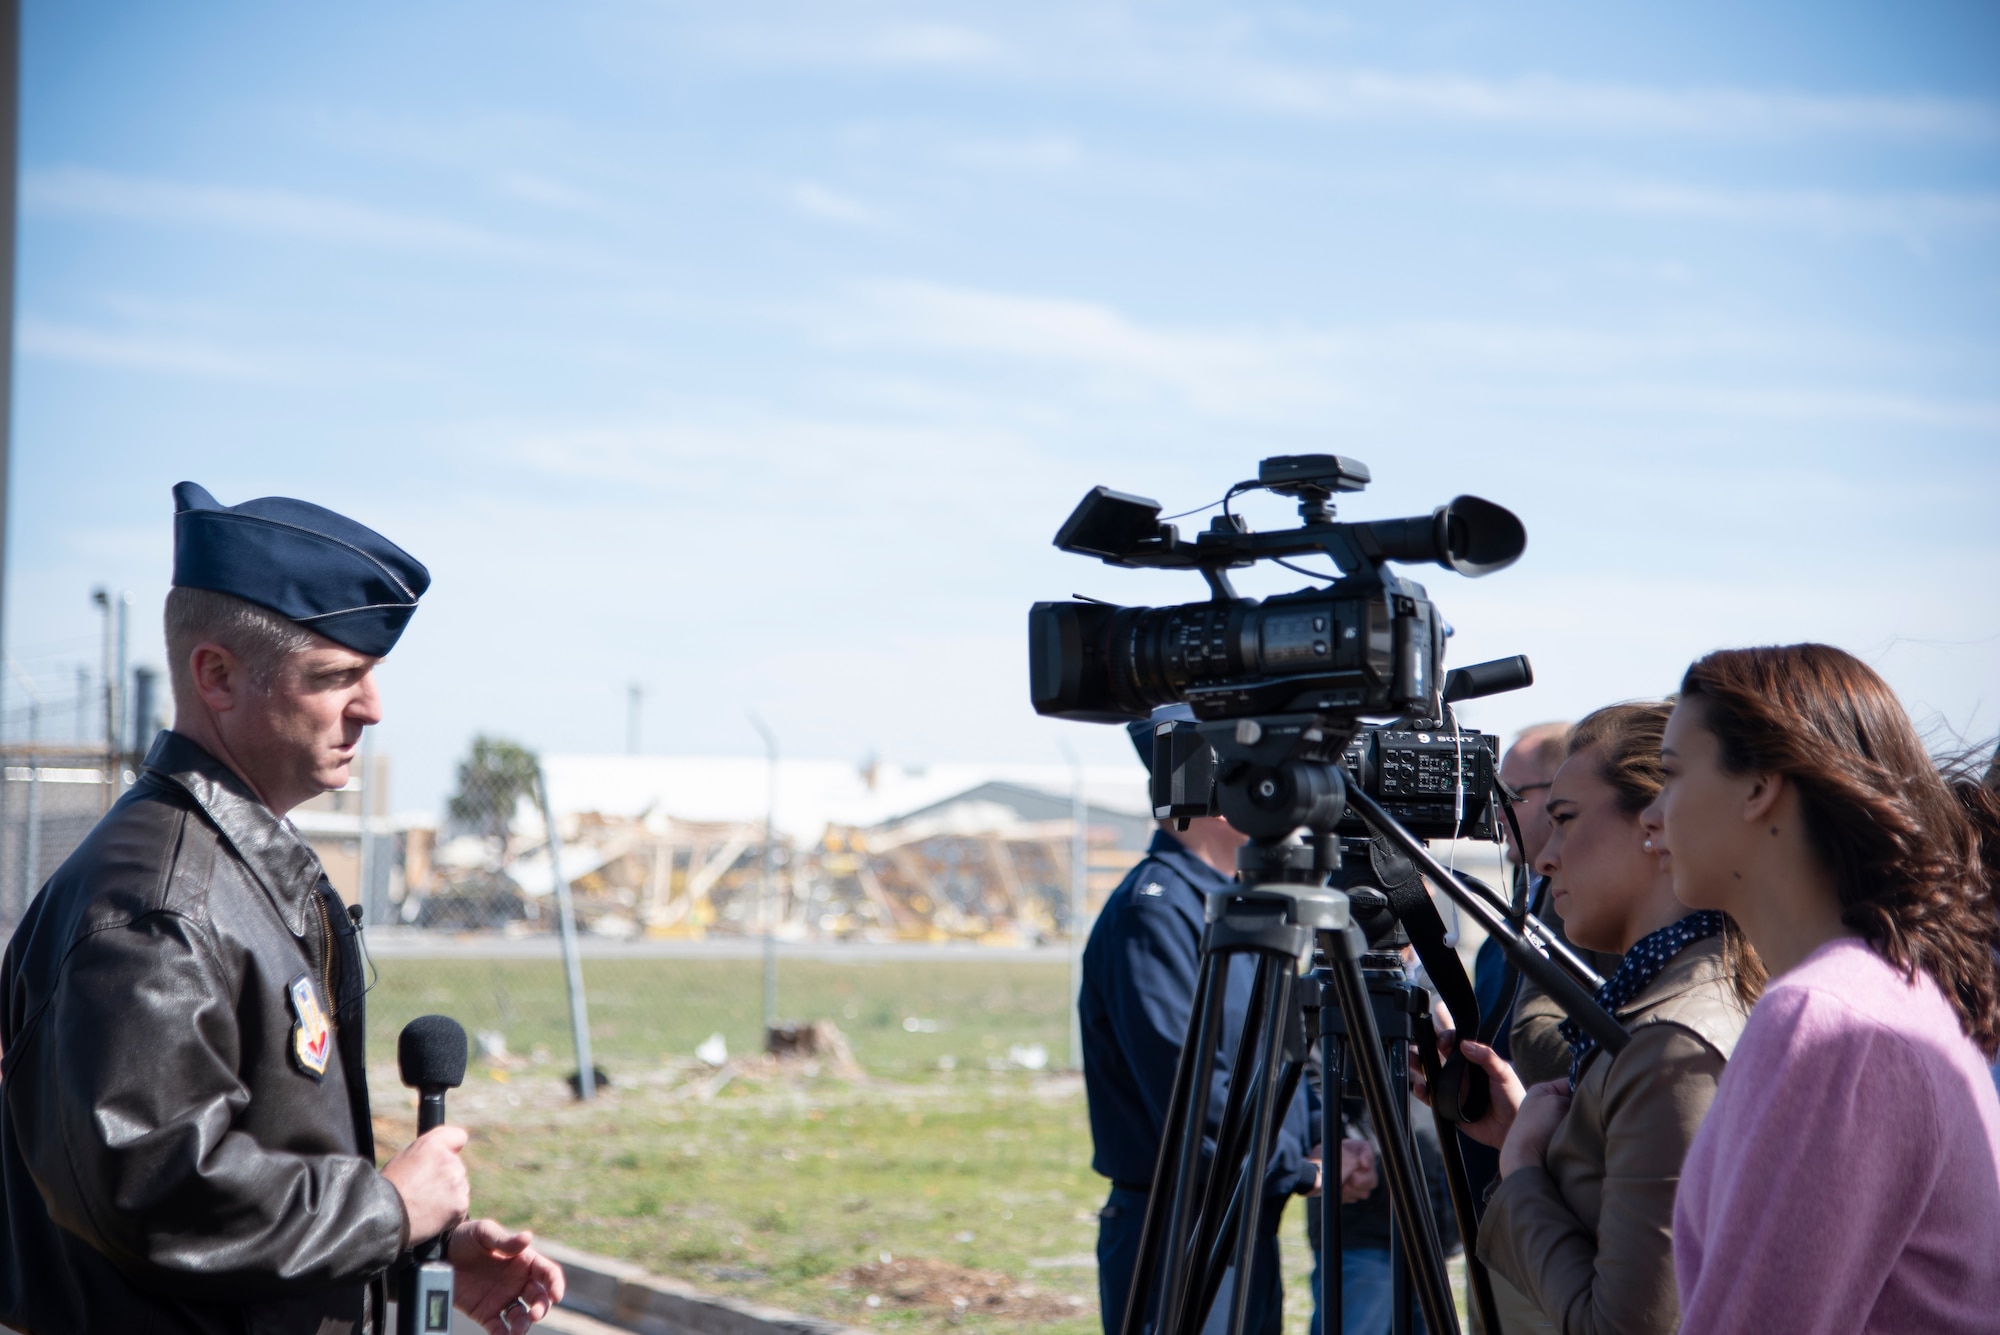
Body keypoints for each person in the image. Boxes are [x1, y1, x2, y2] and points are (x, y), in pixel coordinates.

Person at [0, 483, 564, 1335]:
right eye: (336, 677)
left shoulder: (232, 867)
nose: (372, 708)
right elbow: (154, 1190)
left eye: (369, 676)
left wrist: (412, 1249)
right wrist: (386, 1210)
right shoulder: (162, 904)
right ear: (217, 676)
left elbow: (259, 1160)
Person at [1643, 645, 2000, 1332]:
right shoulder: (1895, 992)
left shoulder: (1828, 1018)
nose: (1652, 814)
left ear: (1759, 786)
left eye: (1671, 774)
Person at [1441, 701, 1760, 1335]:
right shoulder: (1670, 1000)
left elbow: (1621, 1326)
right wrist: (1533, 1139)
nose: (1543, 858)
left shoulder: (1674, 1040)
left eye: (1565, 820)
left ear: (1654, 824)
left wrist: (1525, 1168)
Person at [1081, 706, 1368, 1335]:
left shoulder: (1234, 905)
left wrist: (1326, 1132)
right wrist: (1303, 1170)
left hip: (1240, 1222)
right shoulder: (1154, 910)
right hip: (1179, 1230)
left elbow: (1274, 1055)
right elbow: (1194, 1094)